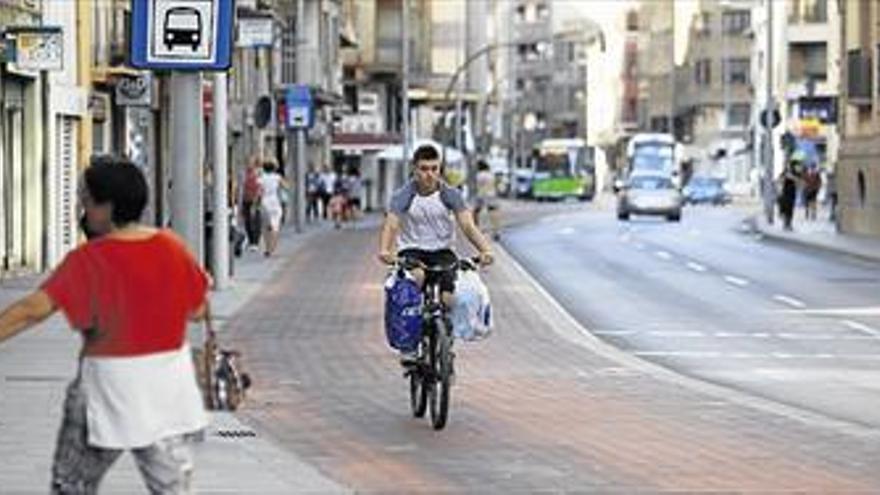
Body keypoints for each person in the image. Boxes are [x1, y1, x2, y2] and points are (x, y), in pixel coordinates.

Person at [0, 157, 209, 494]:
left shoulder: (89, 260)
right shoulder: (172, 247)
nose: (81, 206)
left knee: (72, 485)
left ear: (107, 207)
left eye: (86, 199)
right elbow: (198, 310)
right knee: (172, 489)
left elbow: (32, 310)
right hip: (167, 389)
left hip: (105, 389)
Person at [377, 144, 494, 363]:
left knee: (449, 298)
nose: (429, 174)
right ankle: (411, 343)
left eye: (434, 168)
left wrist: (485, 249)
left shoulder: (450, 194)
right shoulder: (404, 195)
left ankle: (443, 339)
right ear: (414, 170)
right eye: (424, 169)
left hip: (442, 252)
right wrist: (385, 249)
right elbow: (391, 224)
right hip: (413, 250)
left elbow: (468, 226)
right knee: (417, 278)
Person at [258, 158, 290, 257]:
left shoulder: (261, 178)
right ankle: (272, 249)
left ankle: (267, 248)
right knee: (275, 226)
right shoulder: (277, 177)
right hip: (275, 202)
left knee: (265, 227)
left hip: (264, 202)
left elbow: (259, 191)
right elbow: (287, 187)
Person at [473, 159, 502, 240]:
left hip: (482, 195)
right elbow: (495, 184)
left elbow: (479, 185)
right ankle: (496, 232)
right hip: (492, 195)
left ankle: (476, 229)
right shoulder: (491, 174)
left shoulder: (479, 174)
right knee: (493, 214)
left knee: (475, 212)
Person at [240, 156, 263, 251]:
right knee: (247, 220)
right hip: (246, 199)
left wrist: (256, 199)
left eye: (251, 162)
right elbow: (241, 188)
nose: (249, 164)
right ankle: (250, 240)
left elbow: (260, 187)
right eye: (248, 162)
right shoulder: (244, 173)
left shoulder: (258, 173)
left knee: (255, 219)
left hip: (256, 200)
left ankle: (255, 241)